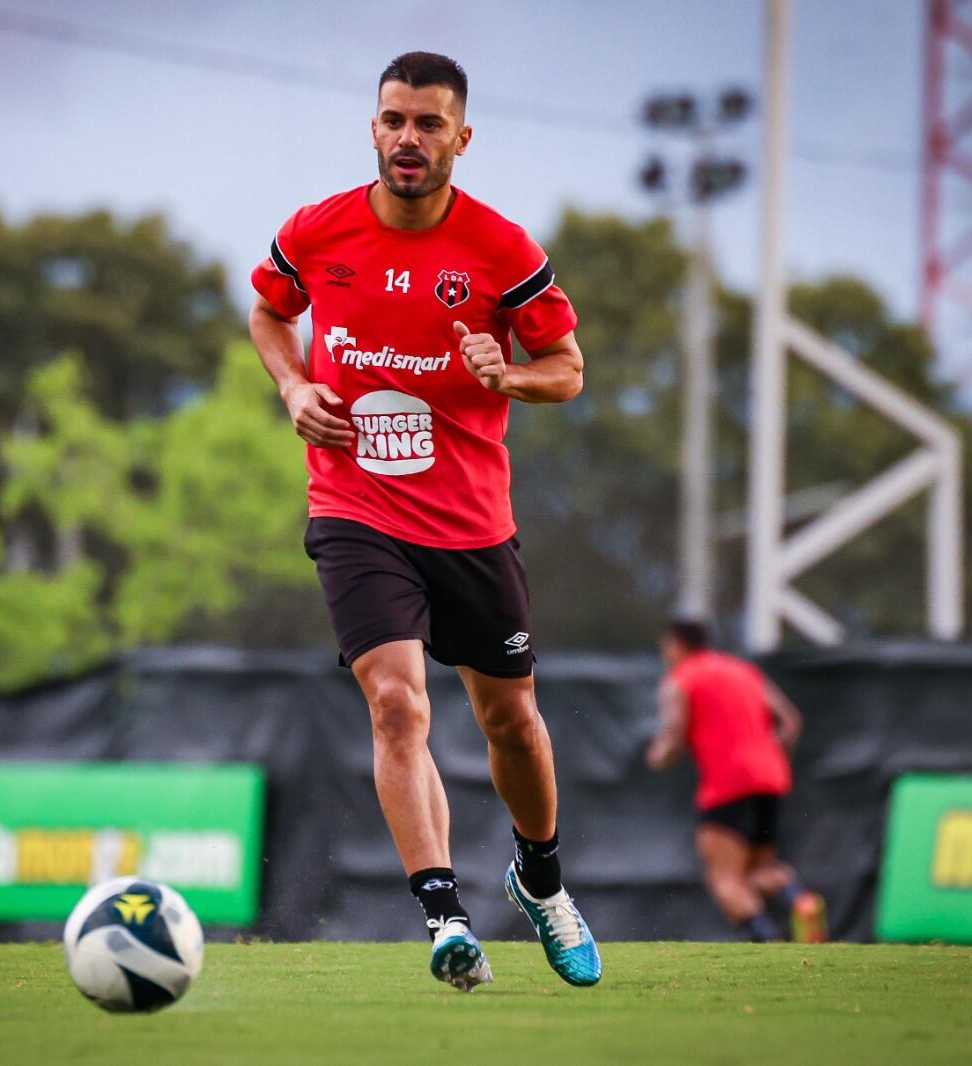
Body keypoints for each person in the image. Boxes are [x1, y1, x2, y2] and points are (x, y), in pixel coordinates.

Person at [247, 51, 599, 991]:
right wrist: (293, 386)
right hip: (355, 507)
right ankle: (444, 916)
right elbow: (268, 314)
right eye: (395, 120)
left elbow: (567, 368)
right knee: (398, 702)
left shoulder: (502, 250)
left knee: (512, 722)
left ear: (461, 138)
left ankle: (542, 879)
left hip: (472, 522)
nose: (410, 138)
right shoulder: (316, 231)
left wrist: (507, 374)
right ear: (373, 128)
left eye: (429, 124)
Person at [645, 620, 827, 942]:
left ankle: (768, 941)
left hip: (726, 785)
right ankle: (801, 900)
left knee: (723, 879)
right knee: (759, 869)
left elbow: (673, 742)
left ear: (677, 645)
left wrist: (656, 755)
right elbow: (791, 722)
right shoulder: (743, 669)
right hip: (771, 780)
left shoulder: (681, 679)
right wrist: (769, 758)